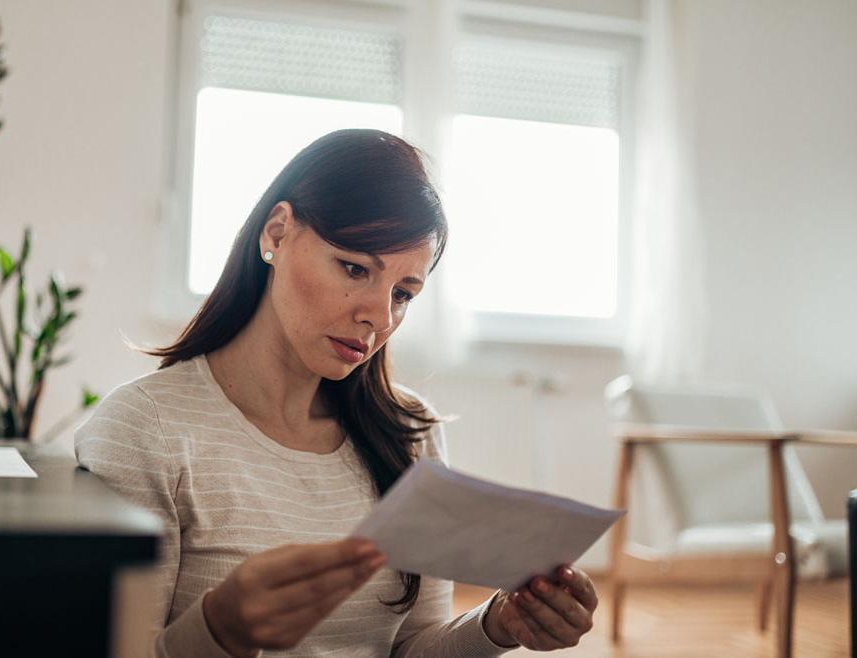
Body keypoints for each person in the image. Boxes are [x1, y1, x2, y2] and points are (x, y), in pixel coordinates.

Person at [75, 129, 598, 657]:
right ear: (276, 234)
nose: (379, 314)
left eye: (403, 293)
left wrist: (497, 626)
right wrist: (220, 629)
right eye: (354, 267)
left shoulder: (411, 434)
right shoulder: (145, 430)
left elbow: (413, 648)